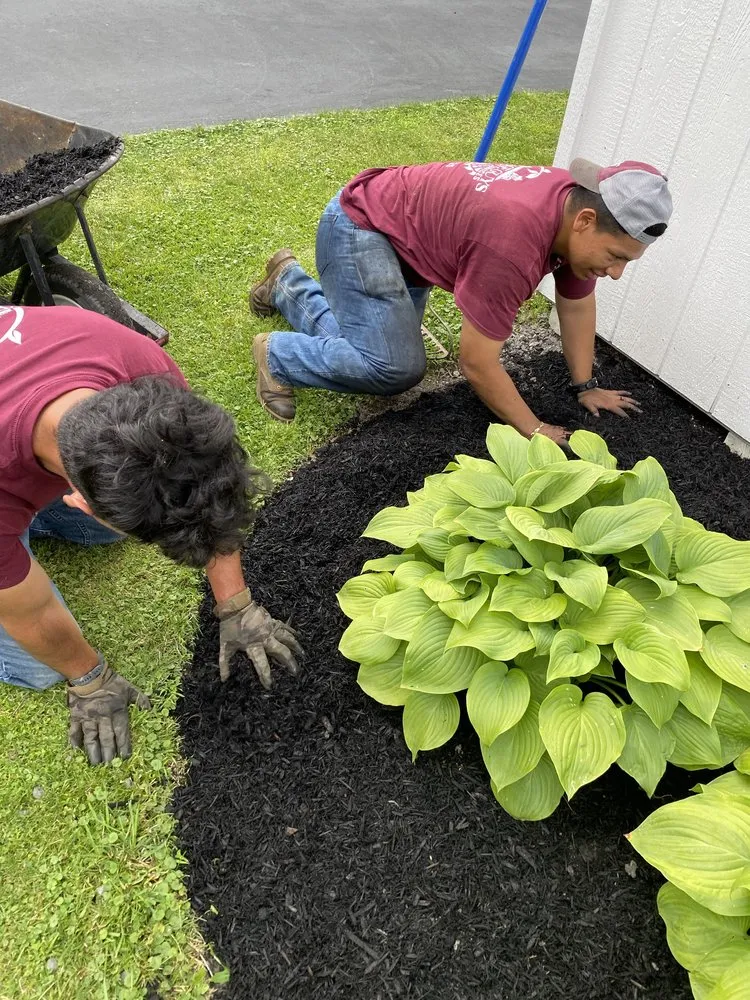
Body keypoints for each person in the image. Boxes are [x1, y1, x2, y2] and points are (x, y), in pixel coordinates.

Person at [0, 305, 302, 765]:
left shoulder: (144, 377)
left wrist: (236, 604)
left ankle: (21, 522)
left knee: (114, 531)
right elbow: (30, 611)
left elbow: (206, 494)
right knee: (38, 666)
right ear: (80, 499)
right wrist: (90, 681)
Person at [248, 158, 673, 443]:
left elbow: (577, 304)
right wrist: (534, 428)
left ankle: (288, 285)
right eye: (615, 257)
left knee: (377, 346)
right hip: (360, 229)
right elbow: (476, 362)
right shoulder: (513, 245)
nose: (616, 272)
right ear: (584, 221)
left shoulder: (571, 212)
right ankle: (279, 355)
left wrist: (586, 387)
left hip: (399, 238)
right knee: (394, 367)